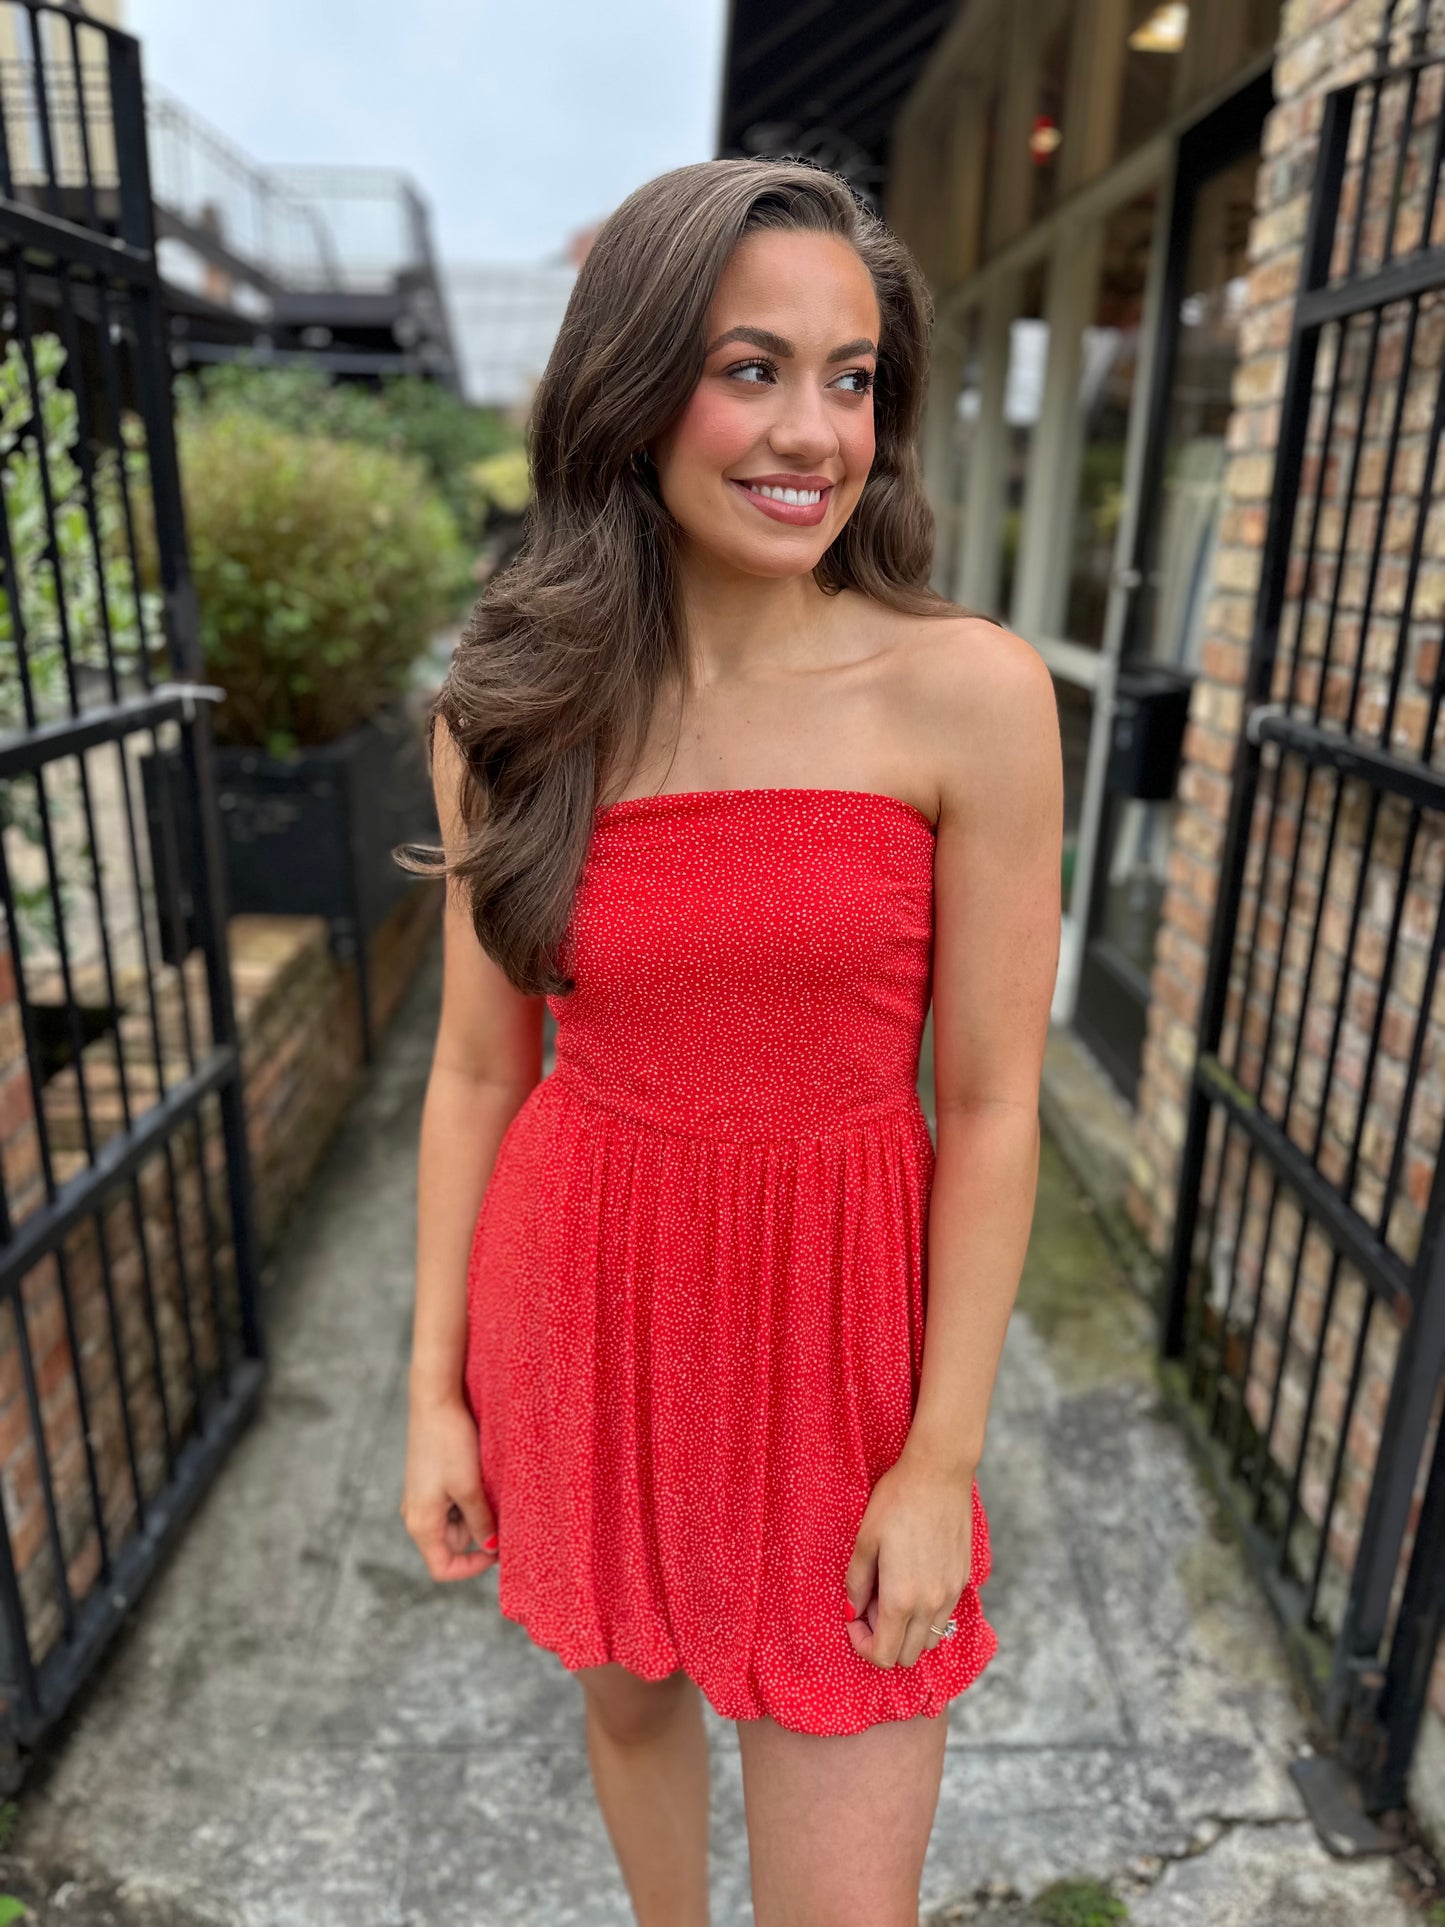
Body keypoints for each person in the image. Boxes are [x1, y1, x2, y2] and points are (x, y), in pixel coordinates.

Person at [399, 156, 1062, 1927]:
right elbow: (479, 1071)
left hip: (840, 1348)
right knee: (627, 1699)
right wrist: (432, 1392)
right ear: (629, 391)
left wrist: (938, 1459)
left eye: (850, 379)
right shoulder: (513, 714)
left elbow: (993, 1102)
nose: (811, 433)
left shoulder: (970, 695)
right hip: (584, 1300)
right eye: (748, 369)